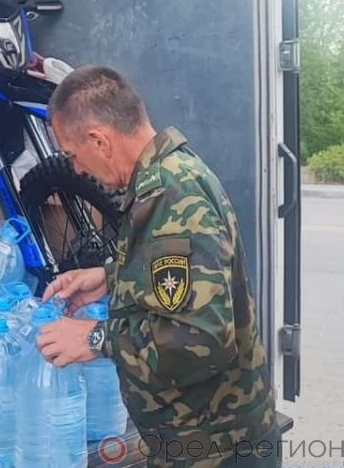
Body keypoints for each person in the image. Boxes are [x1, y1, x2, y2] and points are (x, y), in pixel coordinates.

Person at [36, 65, 279, 467]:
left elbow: (201, 338)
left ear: (99, 141)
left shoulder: (171, 195)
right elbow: (187, 279)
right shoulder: (166, 176)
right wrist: (110, 277)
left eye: (73, 155)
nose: (75, 169)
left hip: (215, 448)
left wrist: (96, 338)